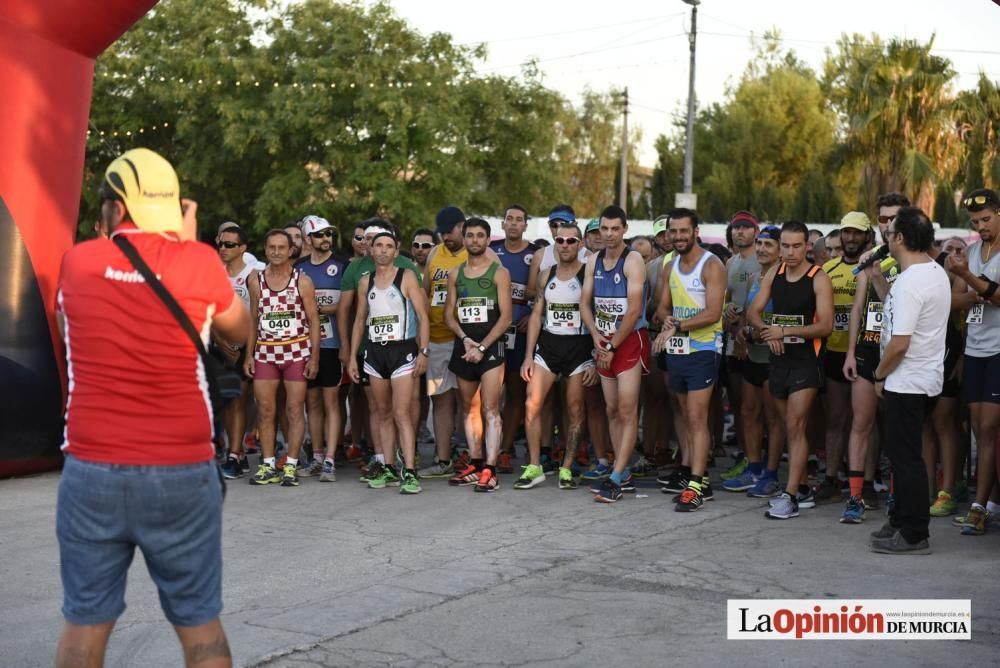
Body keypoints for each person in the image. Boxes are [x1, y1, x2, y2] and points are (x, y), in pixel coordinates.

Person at [55, 148, 247, 667]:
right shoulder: (201, 262)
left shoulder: (77, 262)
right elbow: (239, 330)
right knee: (200, 623)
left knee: (84, 623)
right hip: (181, 470)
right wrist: (186, 246)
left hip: (92, 468)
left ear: (115, 208)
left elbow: (70, 328)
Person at [867, 207, 951, 554]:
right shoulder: (931, 273)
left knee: (906, 459)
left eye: (889, 232)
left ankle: (915, 533)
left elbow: (900, 343)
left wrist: (878, 374)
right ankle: (901, 519)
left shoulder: (914, 281)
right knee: (904, 455)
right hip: (923, 378)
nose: (886, 237)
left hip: (907, 380)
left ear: (900, 238)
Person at [747, 221, 834, 520]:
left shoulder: (818, 277)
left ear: (807, 246)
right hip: (780, 361)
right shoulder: (775, 272)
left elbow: (826, 326)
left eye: (797, 246)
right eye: (786, 246)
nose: (791, 252)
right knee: (787, 425)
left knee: (796, 425)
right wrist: (767, 332)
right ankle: (803, 486)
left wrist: (783, 331)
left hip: (806, 361)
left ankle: (791, 496)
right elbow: (753, 311)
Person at [337, 219, 423, 482]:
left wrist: (424, 352)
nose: (384, 251)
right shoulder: (365, 281)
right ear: (371, 251)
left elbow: (423, 316)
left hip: (403, 351)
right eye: (379, 246)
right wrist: (351, 356)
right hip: (374, 353)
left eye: (389, 246)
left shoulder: (406, 276)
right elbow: (360, 319)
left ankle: (409, 470)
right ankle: (386, 465)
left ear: (396, 251)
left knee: (401, 412)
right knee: (381, 411)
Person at [652, 208, 726, 511]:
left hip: (704, 349)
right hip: (678, 349)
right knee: (684, 414)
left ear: (696, 231)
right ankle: (700, 479)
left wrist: (677, 326)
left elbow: (713, 313)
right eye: (674, 231)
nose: (679, 236)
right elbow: (660, 309)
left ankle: (695, 485)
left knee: (697, 417)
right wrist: (667, 322)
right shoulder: (670, 267)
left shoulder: (712, 265)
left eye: (684, 231)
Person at [842, 192, 909, 522]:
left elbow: (897, 304)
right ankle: (855, 497)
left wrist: (879, 276)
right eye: (882, 219)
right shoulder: (870, 255)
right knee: (860, 423)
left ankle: (898, 496)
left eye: (894, 218)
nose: (888, 224)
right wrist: (851, 352)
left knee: (897, 428)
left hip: (899, 353)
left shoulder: (912, 258)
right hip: (868, 349)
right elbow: (858, 308)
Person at [517, 222, 597, 490]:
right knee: (532, 403)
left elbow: (598, 316)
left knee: (574, 408)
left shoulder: (588, 275)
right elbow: (537, 316)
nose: (564, 245)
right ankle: (534, 465)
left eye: (571, 241)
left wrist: (596, 357)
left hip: (579, 346)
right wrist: (528, 355)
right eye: (560, 241)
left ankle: (566, 467)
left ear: (580, 244)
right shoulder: (545, 275)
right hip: (549, 346)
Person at [581, 205, 650, 503]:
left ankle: (616, 475)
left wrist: (610, 346)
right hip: (604, 341)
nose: (608, 235)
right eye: (603, 229)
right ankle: (621, 469)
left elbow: (634, 310)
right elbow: (585, 303)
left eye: (614, 229)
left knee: (626, 408)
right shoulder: (593, 260)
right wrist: (597, 337)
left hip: (629, 340)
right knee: (610, 409)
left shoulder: (632, 260)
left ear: (624, 229)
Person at [245, 229, 321, 487]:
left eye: (281, 247)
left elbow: (313, 321)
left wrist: (314, 358)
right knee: (265, 410)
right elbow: (253, 320)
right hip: (266, 352)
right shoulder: (256, 280)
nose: (276, 252)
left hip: (296, 352)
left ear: (291, 251)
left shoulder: (302, 281)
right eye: (271, 247)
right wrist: (250, 355)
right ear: (265, 250)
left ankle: (290, 464)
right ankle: (267, 464)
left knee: (293, 410)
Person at [444, 217, 513, 492]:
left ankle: (491, 469)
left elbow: (506, 317)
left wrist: (482, 346)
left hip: (490, 350)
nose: (474, 240)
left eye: (480, 236)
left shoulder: (498, 273)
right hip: (464, 347)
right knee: (468, 407)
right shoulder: (455, 274)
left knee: (490, 408)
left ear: (487, 239)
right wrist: (465, 340)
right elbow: (449, 314)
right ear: (464, 238)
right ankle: (474, 463)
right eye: (470, 235)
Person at [947, 188, 1000, 535]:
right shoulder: (971, 251)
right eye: (975, 222)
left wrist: (969, 279)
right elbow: (954, 300)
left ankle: (980, 506)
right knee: (980, 431)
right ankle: (988, 501)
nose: (981, 227)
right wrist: (977, 289)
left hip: (998, 350)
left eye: (986, 219)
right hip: (976, 348)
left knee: (988, 430)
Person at [724, 226, 785, 495]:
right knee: (749, 411)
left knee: (773, 416)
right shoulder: (753, 278)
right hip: (754, 355)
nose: (761, 249)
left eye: (768, 245)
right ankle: (754, 467)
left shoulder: (786, 279)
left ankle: (771, 473)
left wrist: (758, 331)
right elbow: (748, 317)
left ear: (781, 249)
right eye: (759, 244)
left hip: (777, 358)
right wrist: (738, 330)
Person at [815, 212, 869, 506]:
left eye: (857, 233)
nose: (850, 238)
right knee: (836, 419)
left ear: (867, 236)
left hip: (866, 352)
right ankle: (831, 478)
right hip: (834, 351)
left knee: (865, 422)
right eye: (847, 232)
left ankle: (867, 481)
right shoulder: (828, 269)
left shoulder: (876, 268)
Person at [418, 206, 469, 479]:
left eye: (450, 232)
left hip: (464, 339)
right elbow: (426, 291)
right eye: (443, 233)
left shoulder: (475, 252)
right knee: (441, 400)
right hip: (437, 339)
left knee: (468, 400)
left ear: (462, 227)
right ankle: (443, 458)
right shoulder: (436, 253)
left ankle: (470, 455)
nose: (446, 237)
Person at [297, 215, 347, 482]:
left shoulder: (341, 265)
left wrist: (319, 309)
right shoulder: (299, 267)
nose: (326, 239)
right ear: (308, 239)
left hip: (332, 344)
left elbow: (350, 304)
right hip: (305, 344)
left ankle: (330, 458)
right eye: (319, 235)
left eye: (329, 234)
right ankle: (316, 456)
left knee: (331, 402)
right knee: (312, 402)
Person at [490, 204, 538, 472]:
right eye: (509, 219)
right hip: (493, 334)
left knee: (516, 392)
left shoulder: (534, 255)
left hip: (519, 335)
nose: (514, 224)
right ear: (503, 223)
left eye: (519, 220)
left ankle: (506, 450)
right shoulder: (490, 253)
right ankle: (489, 447)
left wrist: (531, 315)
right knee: (491, 394)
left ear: (525, 225)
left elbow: (540, 293)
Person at [718, 211, 761, 482]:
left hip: (758, 340)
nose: (740, 232)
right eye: (736, 227)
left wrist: (747, 326)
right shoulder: (730, 263)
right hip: (733, 340)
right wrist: (727, 312)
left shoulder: (763, 259)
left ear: (755, 232)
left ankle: (758, 462)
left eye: (746, 227)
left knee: (756, 408)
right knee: (739, 404)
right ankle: (747, 458)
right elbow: (724, 299)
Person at [216, 225, 254, 479]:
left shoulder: (254, 275)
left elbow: (257, 316)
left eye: (230, 245)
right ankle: (235, 451)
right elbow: (208, 312)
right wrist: (221, 342)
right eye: (221, 244)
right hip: (220, 346)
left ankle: (235, 454)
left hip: (245, 348)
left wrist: (246, 350)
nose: (224, 249)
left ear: (242, 248)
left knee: (240, 400)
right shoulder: (214, 274)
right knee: (226, 403)